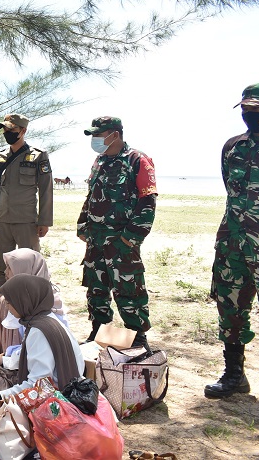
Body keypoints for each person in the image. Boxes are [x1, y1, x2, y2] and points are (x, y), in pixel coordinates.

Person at [206, 83, 259, 426]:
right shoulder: (233, 148)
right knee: (230, 311)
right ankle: (234, 375)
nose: (252, 115)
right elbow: (231, 190)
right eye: (247, 109)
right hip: (233, 245)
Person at [77, 116, 156, 348]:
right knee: (96, 289)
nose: (95, 139)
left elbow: (147, 201)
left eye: (98, 135)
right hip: (95, 239)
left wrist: (130, 238)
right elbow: (91, 196)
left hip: (122, 241)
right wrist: (83, 225)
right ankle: (99, 335)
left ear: (115, 134)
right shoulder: (99, 161)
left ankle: (137, 339)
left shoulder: (138, 160)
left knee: (129, 290)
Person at [0, 274, 83, 407]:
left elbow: (38, 385)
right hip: (64, 388)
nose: (8, 307)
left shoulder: (39, 331)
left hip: (56, 401)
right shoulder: (48, 319)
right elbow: (32, 358)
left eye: (10, 303)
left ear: (24, 302)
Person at [0, 113, 53, 290]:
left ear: (23, 131)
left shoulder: (38, 156)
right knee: (2, 267)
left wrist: (44, 221)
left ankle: (30, 308)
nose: (7, 132)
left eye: (11, 129)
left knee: (30, 267)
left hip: (27, 222)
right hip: (3, 221)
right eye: (5, 129)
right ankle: (4, 307)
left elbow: (46, 190)